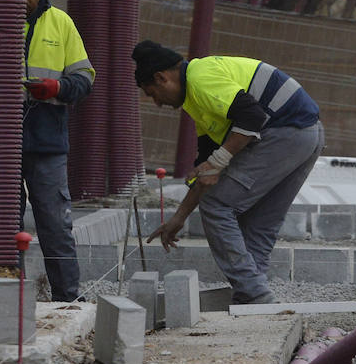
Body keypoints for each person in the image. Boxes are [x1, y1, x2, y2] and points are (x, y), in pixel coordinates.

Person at [136, 39, 324, 305]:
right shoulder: (197, 98)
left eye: (152, 94)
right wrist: (179, 218)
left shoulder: (201, 80)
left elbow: (252, 117)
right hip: (307, 135)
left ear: (161, 77)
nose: (156, 103)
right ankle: (253, 298)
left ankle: (253, 292)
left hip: (285, 132)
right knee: (258, 222)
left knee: (217, 205)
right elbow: (206, 172)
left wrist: (218, 162)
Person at [23, 0, 95, 301]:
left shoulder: (61, 24)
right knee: (3, 225)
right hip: (0, 142)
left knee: (55, 224)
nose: (25, 1)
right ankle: (9, 294)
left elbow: (84, 78)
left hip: (47, 140)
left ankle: (67, 298)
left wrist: (58, 88)